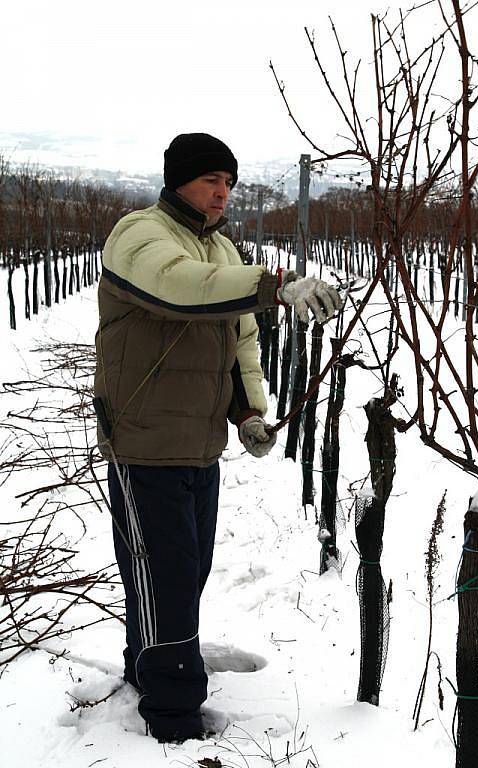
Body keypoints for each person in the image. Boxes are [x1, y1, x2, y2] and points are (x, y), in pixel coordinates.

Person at [93, 133, 342, 743]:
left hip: (200, 441)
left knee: (184, 569)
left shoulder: (224, 248)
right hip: (144, 439)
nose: (222, 192)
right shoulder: (138, 235)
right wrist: (273, 283)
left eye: (229, 182)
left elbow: (241, 341)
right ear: (179, 180)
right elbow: (179, 286)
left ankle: (147, 667)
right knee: (166, 575)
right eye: (211, 180)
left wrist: (250, 411)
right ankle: (173, 712)